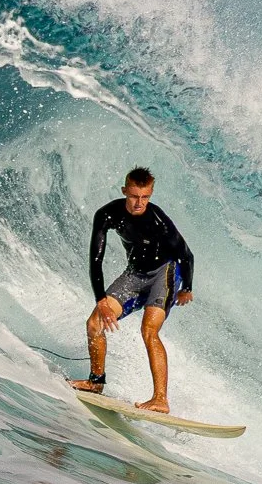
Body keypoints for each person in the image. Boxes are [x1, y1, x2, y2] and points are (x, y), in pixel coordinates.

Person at [68, 166, 194, 413]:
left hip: (164, 272)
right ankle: (95, 382)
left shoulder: (159, 221)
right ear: (125, 190)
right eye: (134, 196)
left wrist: (186, 287)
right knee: (94, 322)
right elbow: (96, 259)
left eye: (145, 197)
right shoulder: (107, 215)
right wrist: (101, 299)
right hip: (135, 274)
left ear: (151, 194)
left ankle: (160, 400)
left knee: (149, 330)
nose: (139, 203)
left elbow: (186, 254)